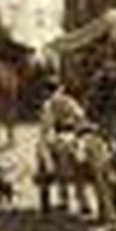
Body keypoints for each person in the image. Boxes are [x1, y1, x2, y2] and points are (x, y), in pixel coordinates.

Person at [36, 78, 91, 214]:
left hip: (61, 136)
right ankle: (82, 200)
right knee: (79, 165)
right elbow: (81, 116)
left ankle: (64, 198)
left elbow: (46, 125)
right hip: (76, 136)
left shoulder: (48, 104)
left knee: (57, 163)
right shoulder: (70, 101)